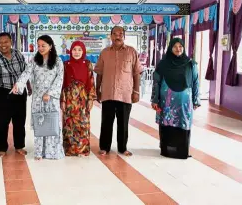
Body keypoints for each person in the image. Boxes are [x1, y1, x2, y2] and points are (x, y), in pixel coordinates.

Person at [11, 35, 65, 160]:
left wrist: (50, 93)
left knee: (52, 124)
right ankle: (39, 152)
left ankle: (52, 152)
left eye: (43, 46)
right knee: (40, 125)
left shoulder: (58, 61)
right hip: (37, 100)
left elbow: (59, 79)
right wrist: (18, 85)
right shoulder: (34, 61)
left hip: (52, 99)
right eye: (38, 45)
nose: (40, 48)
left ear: (50, 46)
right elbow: (26, 73)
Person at [94, 26, 142, 157]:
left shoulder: (131, 52)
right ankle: (104, 147)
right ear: (110, 36)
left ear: (124, 36)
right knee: (106, 122)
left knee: (123, 123)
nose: (117, 36)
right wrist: (97, 90)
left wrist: (136, 91)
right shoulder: (104, 52)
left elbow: (137, 73)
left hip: (125, 94)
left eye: (120, 33)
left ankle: (122, 148)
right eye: (114, 34)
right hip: (108, 93)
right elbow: (99, 72)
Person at [151, 38, 200, 159]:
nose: (178, 49)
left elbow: (195, 82)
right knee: (167, 123)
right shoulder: (163, 64)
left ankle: (181, 151)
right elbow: (156, 82)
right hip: (166, 100)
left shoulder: (190, 63)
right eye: (175, 47)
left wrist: (196, 99)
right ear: (170, 48)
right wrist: (155, 99)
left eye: (181, 47)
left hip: (184, 101)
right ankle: (167, 149)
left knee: (183, 124)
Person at [60, 41, 96, 156]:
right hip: (70, 98)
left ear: (83, 51)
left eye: (79, 50)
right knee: (69, 123)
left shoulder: (87, 64)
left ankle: (83, 149)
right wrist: (63, 100)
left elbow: (91, 81)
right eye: (74, 50)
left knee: (83, 123)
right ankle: (70, 149)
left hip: (83, 98)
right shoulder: (65, 64)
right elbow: (62, 84)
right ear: (70, 51)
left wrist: (91, 99)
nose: (76, 52)